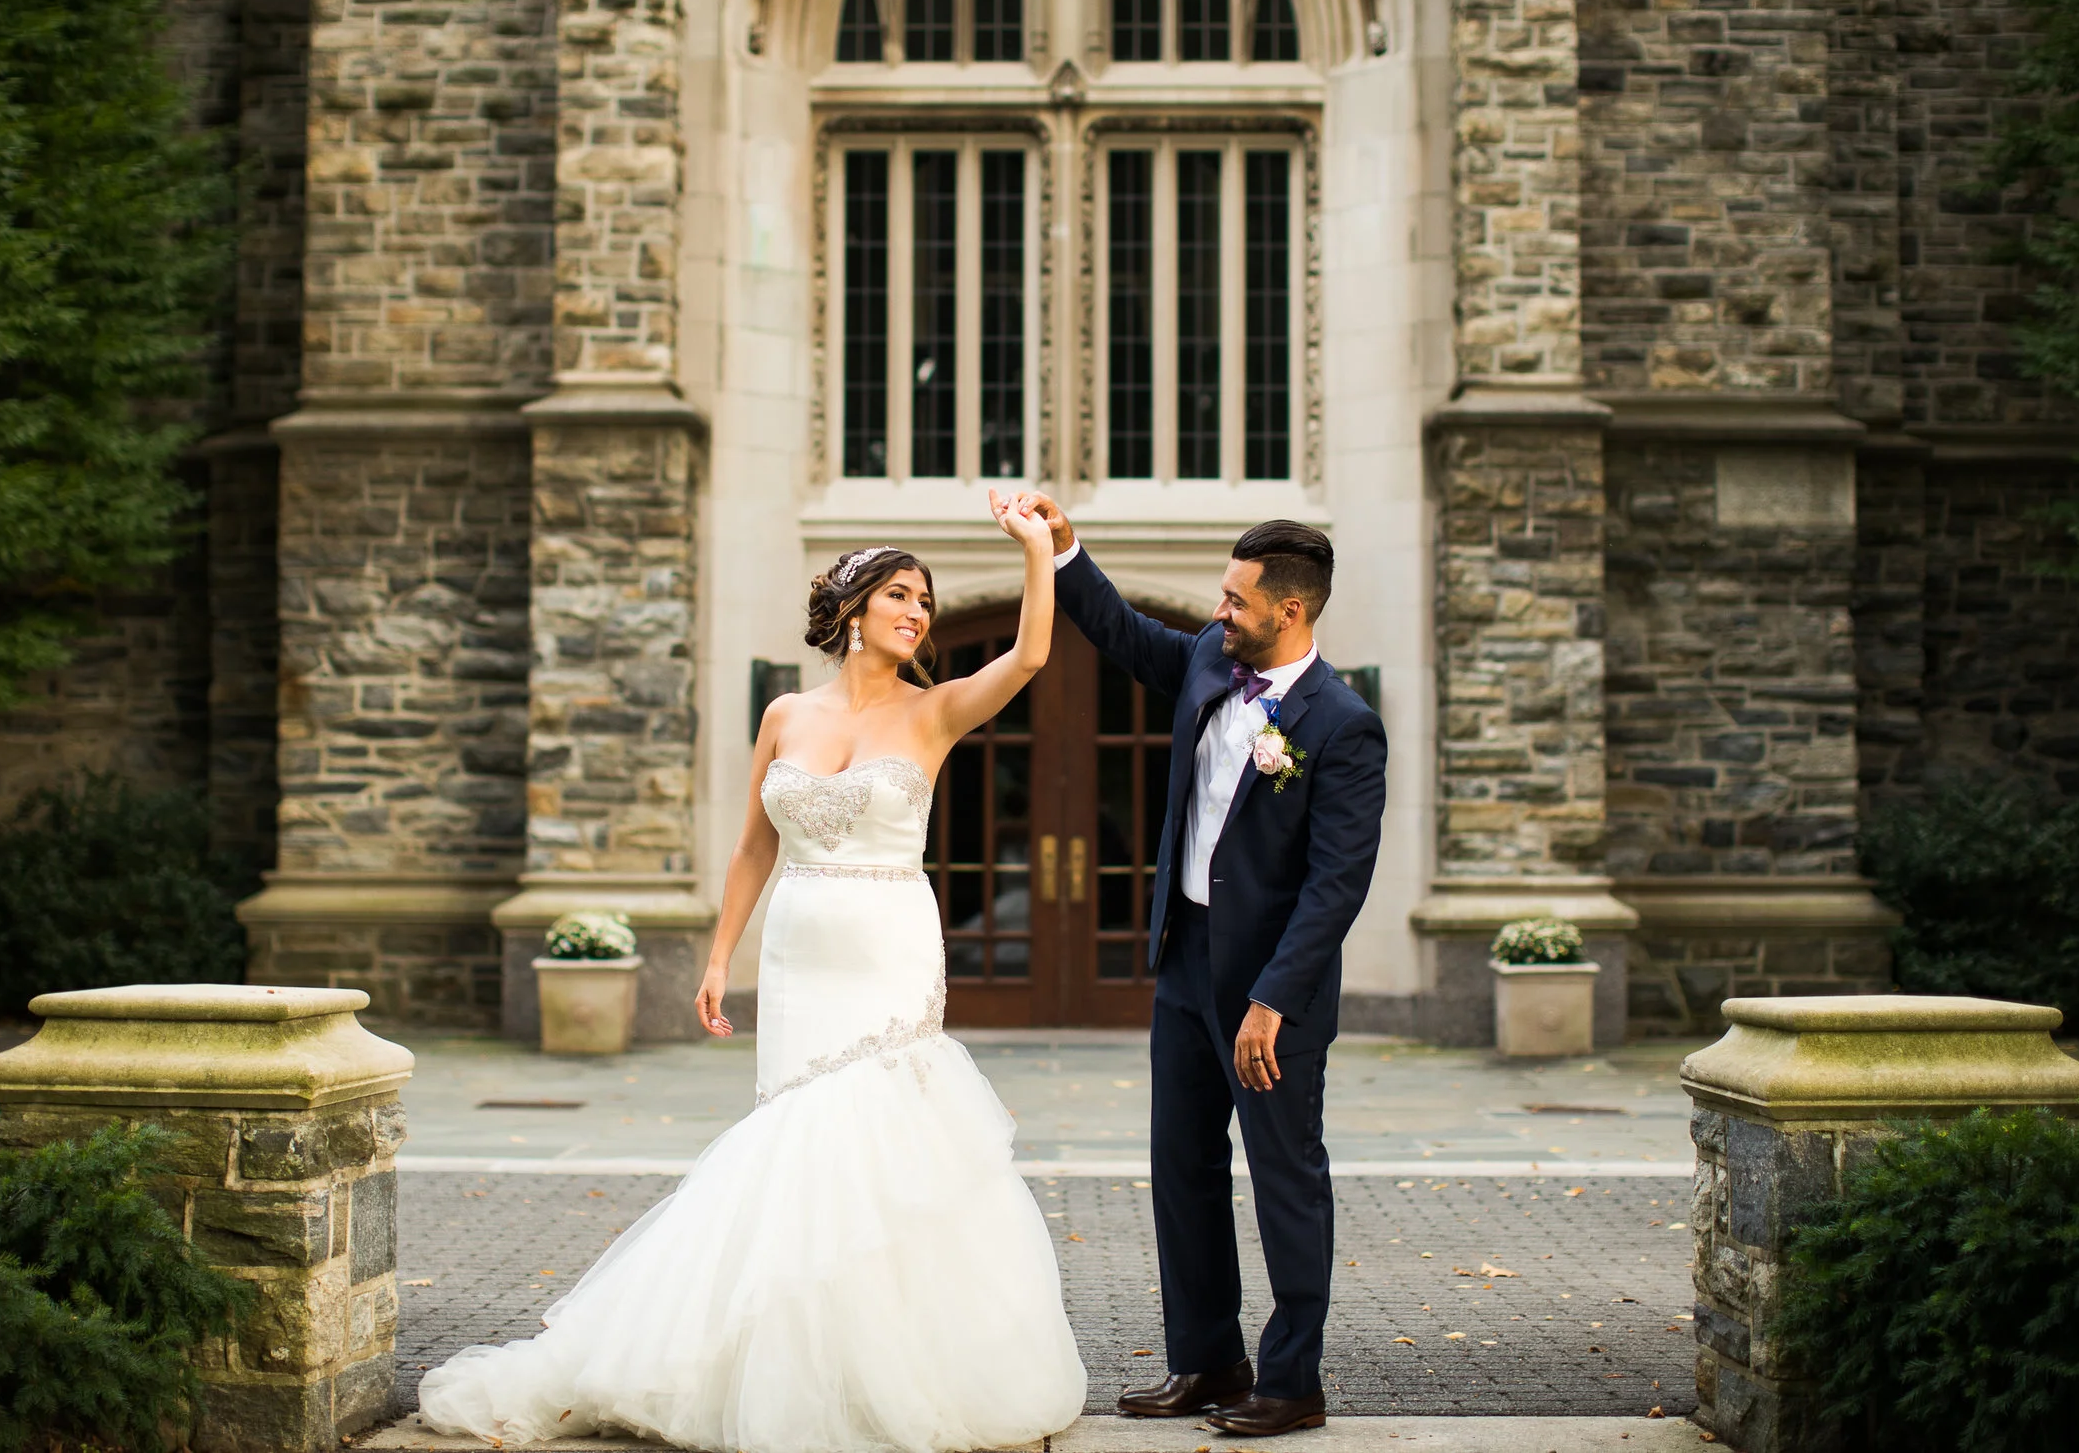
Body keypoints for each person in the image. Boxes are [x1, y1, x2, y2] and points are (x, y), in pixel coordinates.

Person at [417, 490, 1086, 1453]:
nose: (917, 612)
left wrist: (1036, 548)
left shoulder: (935, 711)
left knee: (877, 1126)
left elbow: (1027, 655)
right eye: (899, 595)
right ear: (853, 609)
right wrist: (720, 954)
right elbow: (751, 848)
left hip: (890, 944)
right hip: (800, 950)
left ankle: (897, 1364)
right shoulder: (785, 713)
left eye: (925, 602)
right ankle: (776, 1356)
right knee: (795, 1135)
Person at [1011, 496, 1387, 1438]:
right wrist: (1066, 549)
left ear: (1290, 611)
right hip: (1184, 964)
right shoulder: (1209, 664)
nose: (1220, 610)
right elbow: (1120, 630)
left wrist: (1272, 1000)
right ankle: (1209, 1360)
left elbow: (1336, 885)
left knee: (1285, 1178)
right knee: (1182, 1168)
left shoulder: (1343, 724)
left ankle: (1292, 1381)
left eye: (1236, 599)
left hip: (1270, 993)